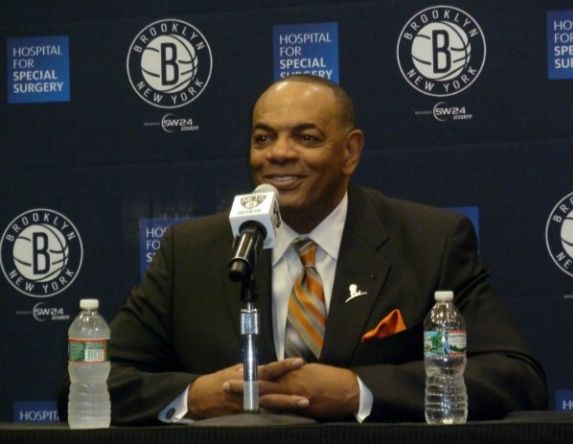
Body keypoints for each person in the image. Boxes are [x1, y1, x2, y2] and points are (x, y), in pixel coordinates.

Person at [62, 74, 547, 425]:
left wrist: (357, 390)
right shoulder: (192, 251)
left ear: (350, 152)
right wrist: (195, 395)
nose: (278, 154)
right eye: (263, 138)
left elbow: (514, 377)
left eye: (306, 137)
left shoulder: (429, 241)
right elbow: (83, 385)